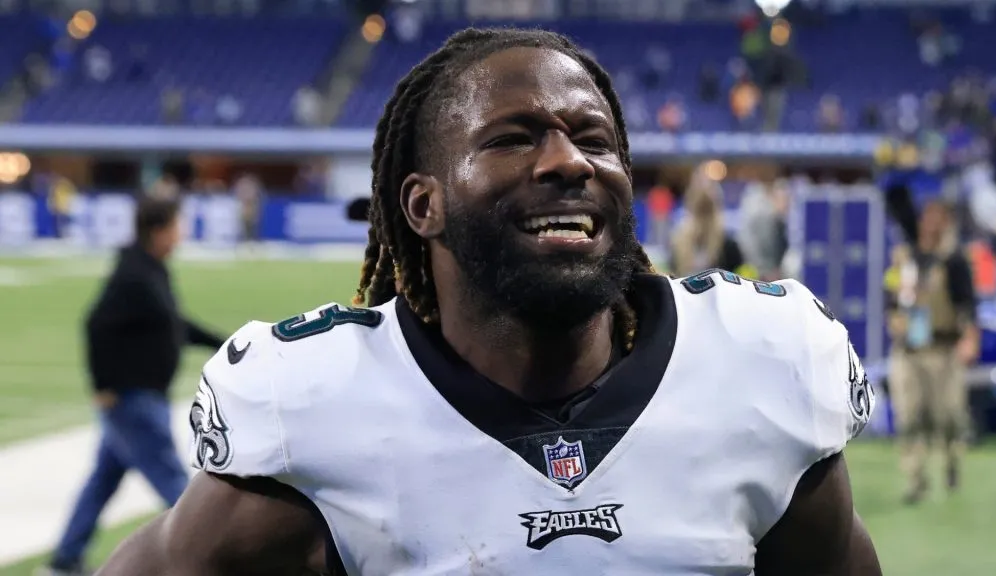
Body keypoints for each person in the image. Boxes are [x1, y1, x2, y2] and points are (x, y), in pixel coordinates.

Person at [97, 28, 880, 575]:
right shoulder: (313, 410)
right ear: (421, 205)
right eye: (513, 138)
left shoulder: (760, 365)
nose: (569, 161)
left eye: (594, 138)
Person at [41, 197, 224, 576]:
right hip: (132, 399)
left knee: (102, 481)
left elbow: (174, 325)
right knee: (179, 488)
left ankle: (64, 560)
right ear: (159, 230)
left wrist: (226, 343)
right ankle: (212, 561)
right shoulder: (133, 274)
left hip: (139, 397)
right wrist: (103, 384)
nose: (182, 233)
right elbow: (95, 325)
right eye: (178, 225)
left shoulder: (150, 269)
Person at [884, 200, 978, 504]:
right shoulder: (905, 258)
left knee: (948, 415)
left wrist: (969, 339)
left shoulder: (953, 260)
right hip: (909, 349)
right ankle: (915, 479)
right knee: (909, 415)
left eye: (939, 218)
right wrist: (893, 318)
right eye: (929, 217)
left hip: (943, 347)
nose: (932, 224)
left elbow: (967, 304)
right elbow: (892, 297)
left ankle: (951, 463)